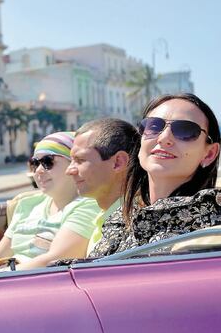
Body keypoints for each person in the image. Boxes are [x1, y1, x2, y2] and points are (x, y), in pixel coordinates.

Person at [0, 131, 102, 276]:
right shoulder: (27, 203)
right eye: (34, 163)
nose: (38, 171)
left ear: (73, 165)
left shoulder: (87, 205)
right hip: (6, 275)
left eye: (48, 161)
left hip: (34, 284)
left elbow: (56, 260)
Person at [92, 93, 221, 256]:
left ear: (209, 154)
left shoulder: (212, 220)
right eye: (153, 126)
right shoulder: (121, 218)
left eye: (185, 130)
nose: (164, 138)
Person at [66, 118, 139, 255]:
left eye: (80, 160)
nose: (69, 170)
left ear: (118, 162)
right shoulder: (108, 215)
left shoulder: (138, 224)